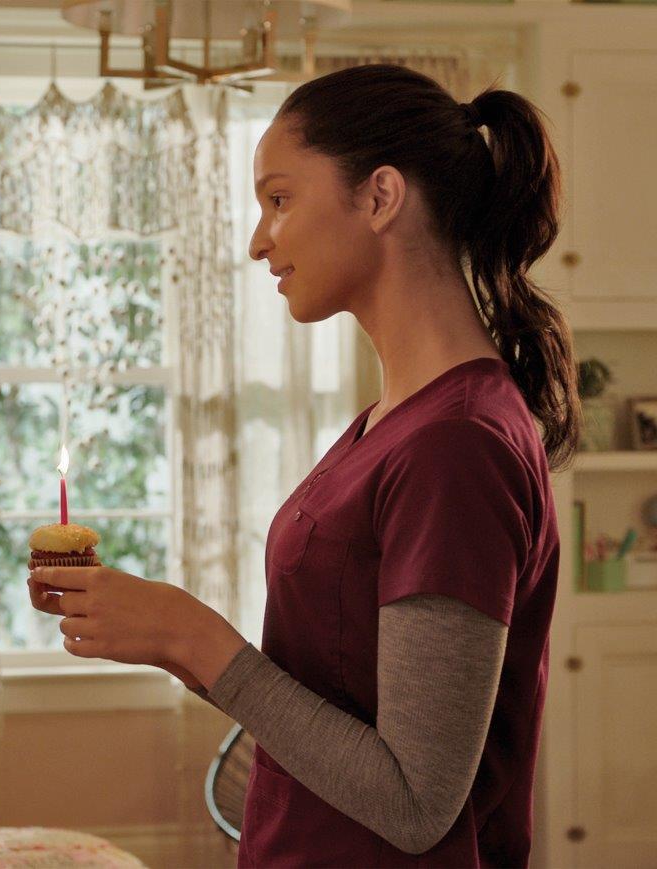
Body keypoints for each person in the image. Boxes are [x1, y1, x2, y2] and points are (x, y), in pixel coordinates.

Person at [29, 64, 576, 868]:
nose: (259, 241)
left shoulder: (458, 444)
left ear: (381, 197)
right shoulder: (396, 421)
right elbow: (328, 697)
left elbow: (416, 802)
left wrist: (193, 635)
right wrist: (160, 638)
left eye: (279, 199)